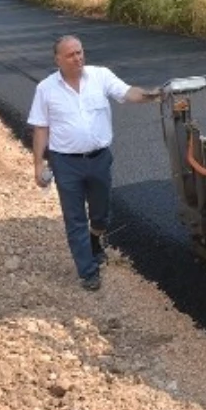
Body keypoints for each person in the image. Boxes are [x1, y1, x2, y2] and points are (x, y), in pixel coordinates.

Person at [27, 35, 161, 291]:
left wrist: (153, 95)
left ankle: (95, 237)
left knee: (101, 213)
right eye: (70, 55)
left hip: (99, 159)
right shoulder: (46, 89)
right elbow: (41, 128)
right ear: (58, 60)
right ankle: (87, 271)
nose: (77, 58)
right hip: (65, 163)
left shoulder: (100, 76)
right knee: (74, 217)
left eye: (80, 52)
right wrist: (37, 165)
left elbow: (127, 93)